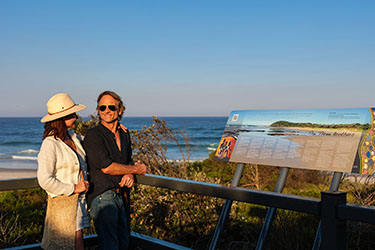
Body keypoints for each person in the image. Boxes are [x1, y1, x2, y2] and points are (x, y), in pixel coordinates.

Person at [83, 90, 146, 250]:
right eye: (102, 107)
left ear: (120, 109)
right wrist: (137, 169)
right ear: (98, 110)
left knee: (124, 243)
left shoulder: (124, 134)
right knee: (110, 245)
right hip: (103, 198)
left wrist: (130, 171)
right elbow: (107, 167)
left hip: (122, 195)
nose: (106, 111)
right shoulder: (93, 135)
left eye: (111, 106)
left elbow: (127, 160)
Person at [37, 93, 90, 250]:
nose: (76, 117)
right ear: (62, 118)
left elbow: (94, 141)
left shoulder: (73, 137)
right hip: (64, 203)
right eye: (72, 114)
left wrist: (113, 129)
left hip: (79, 202)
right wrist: (73, 188)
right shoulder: (50, 144)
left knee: (76, 243)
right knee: (72, 244)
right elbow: (45, 179)